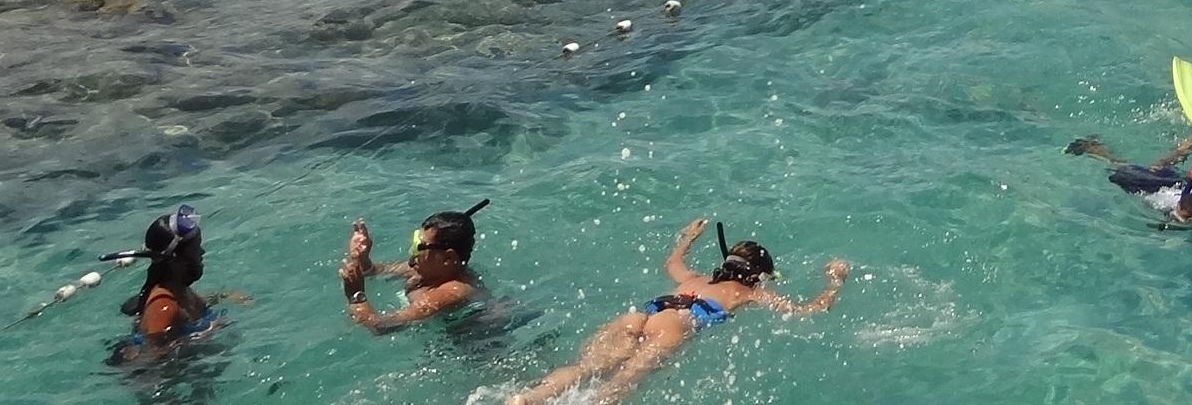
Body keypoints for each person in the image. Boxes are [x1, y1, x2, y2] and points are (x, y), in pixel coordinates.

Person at [507, 218, 847, 405]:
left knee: (587, 368)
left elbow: (671, 262)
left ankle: (528, 399)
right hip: (675, 324)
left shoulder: (695, 277)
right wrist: (834, 281)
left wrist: (687, 237)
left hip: (643, 314)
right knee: (625, 380)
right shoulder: (750, 292)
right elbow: (809, 311)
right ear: (757, 275)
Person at [340, 200, 486, 332]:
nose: (412, 254)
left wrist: (356, 295)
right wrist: (362, 258)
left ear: (448, 258)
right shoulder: (429, 269)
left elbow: (380, 326)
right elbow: (374, 271)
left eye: (419, 247)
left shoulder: (451, 292)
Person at [110, 205, 231, 363]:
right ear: (175, 260)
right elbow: (153, 355)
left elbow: (193, 306)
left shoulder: (180, 291)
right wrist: (204, 334)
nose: (202, 252)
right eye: (195, 249)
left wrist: (225, 296)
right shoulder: (164, 306)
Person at [1064, 130, 1192, 224]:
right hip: (1159, 189)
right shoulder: (1163, 202)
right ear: (1190, 219)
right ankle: (1091, 146)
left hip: (1191, 185)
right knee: (1120, 167)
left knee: (1160, 167)